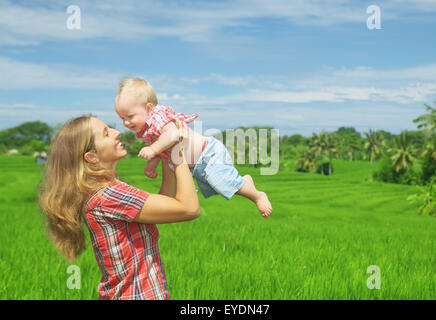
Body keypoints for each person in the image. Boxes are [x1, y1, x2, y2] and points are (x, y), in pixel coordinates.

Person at [39, 115, 200, 300]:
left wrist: (165, 153)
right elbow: (189, 208)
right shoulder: (109, 196)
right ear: (91, 157)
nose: (118, 133)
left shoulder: (106, 191)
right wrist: (178, 152)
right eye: (107, 134)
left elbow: (165, 204)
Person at [115, 77, 272, 218]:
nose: (126, 123)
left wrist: (153, 149)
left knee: (223, 182)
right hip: (196, 164)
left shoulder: (158, 117)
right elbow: (162, 149)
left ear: (149, 108)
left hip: (207, 154)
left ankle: (257, 195)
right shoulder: (147, 130)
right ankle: (244, 182)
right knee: (219, 186)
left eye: (130, 116)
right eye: (122, 118)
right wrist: (152, 165)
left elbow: (173, 135)